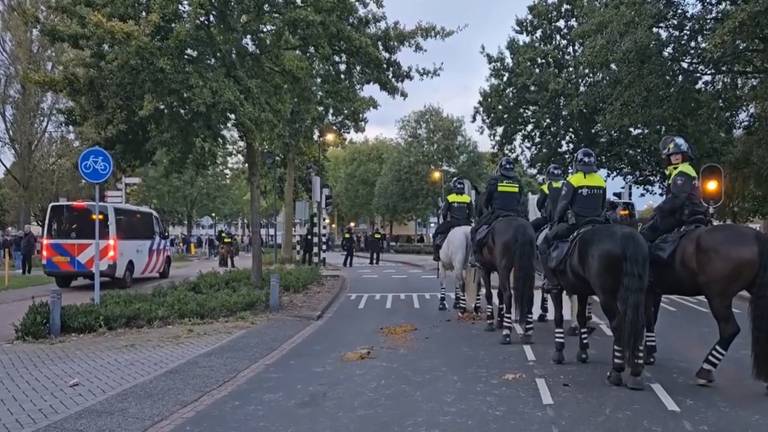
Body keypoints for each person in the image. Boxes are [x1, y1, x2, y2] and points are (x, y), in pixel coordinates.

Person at [540, 148, 607, 277]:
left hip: (576, 224)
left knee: (544, 243)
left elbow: (563, 204)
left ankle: (550, 280)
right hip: (598, 223)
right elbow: (603, 205)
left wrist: (556, 220)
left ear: (577, 164)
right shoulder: (601, 180)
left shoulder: (572, 180)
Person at [640, 135, 708, 243]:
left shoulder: (682, 171)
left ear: (683, 155)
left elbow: (677, 197)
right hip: (692, 212)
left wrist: (658, 210)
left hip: (683, 214)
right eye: (671, 155)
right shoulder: (683, 170)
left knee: (646, 234)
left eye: (677, 153)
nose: (675, 157)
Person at [470, 157, 527, 266]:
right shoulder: (518, 181)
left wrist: (488, 207)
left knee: (475, 231)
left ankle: (476, 257)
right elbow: (521, 199)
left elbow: (487, 200)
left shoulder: (494, 180)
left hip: (498, 213)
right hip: (516, 214)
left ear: (500, 168)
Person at [432, 177, 474, 261]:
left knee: (436, 234)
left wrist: (444, 220)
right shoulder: (468, 199)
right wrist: (468, 220)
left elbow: (444, 212)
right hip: (465, 223)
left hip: (453, 222)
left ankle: (436, 254)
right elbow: (472, 212)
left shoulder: (450, 198)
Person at [530, 164, 565, 234]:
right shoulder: (567, 186)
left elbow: (539, 205)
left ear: (548, 176)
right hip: (564, 219)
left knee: (530, 226)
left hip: (549, 220)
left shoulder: (545, 187)